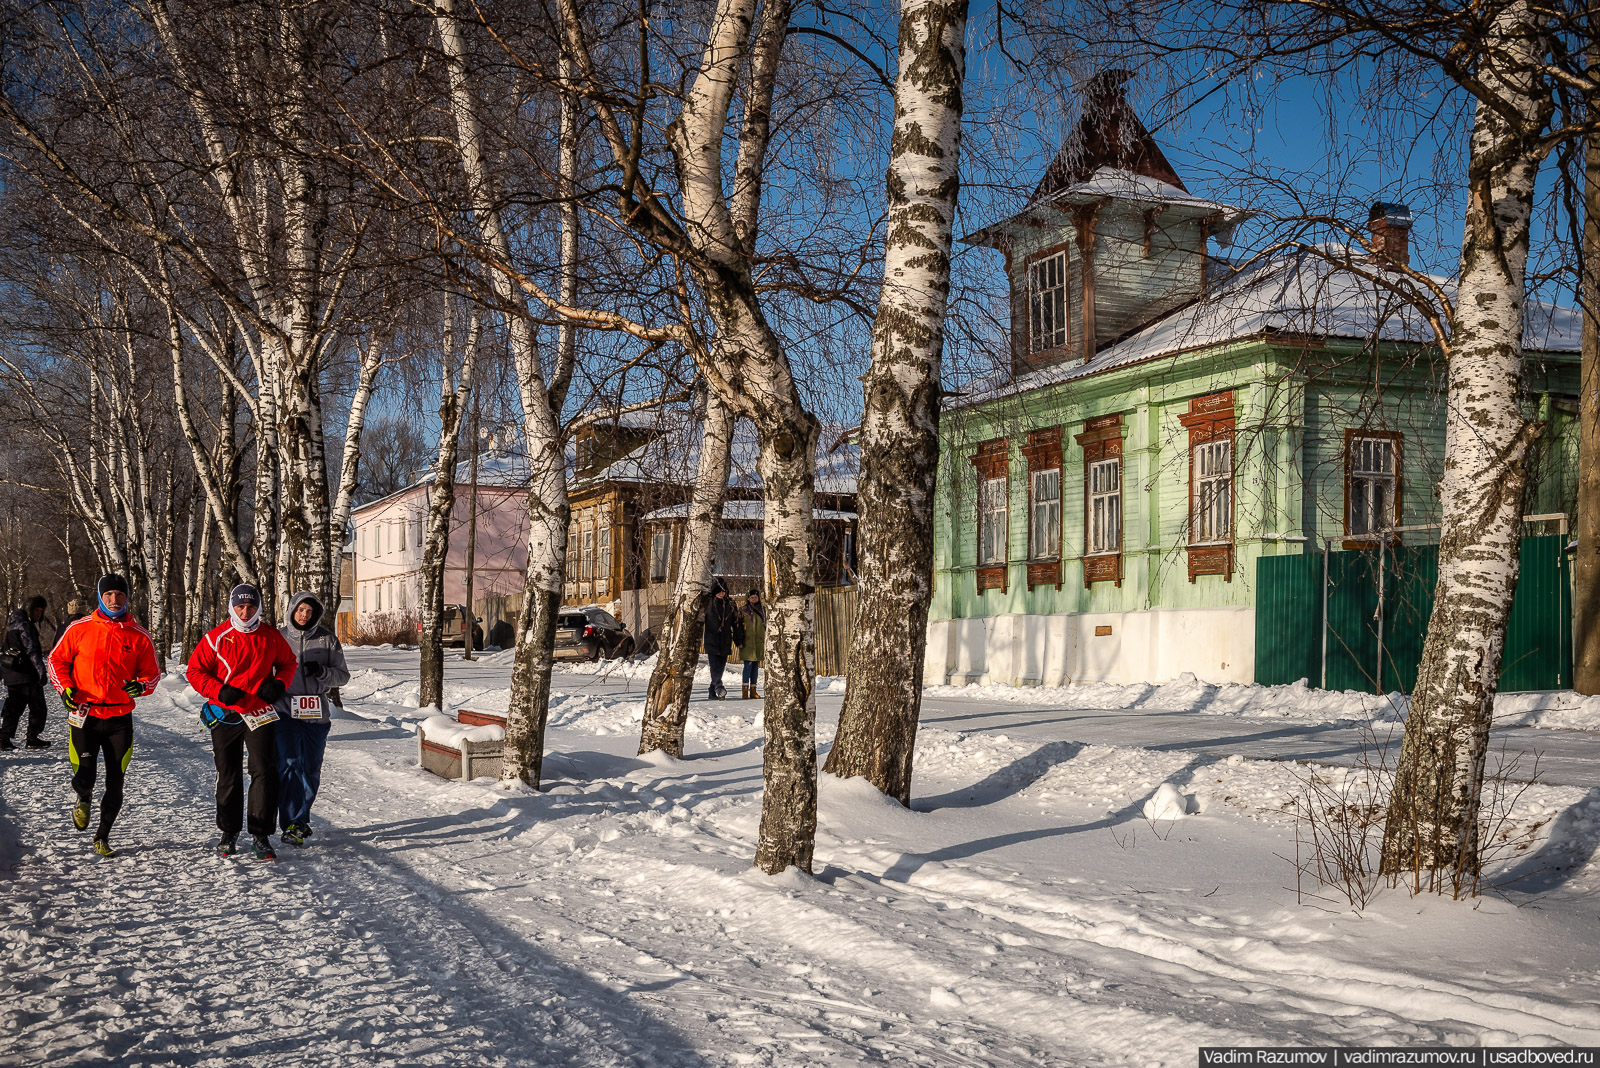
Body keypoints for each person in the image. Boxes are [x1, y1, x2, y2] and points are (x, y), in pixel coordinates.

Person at [46, 575, 161, 856]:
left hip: (119, 719)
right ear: (100, 596)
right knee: (85, 776)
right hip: (85, 715)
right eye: (108, 594)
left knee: (115, 780)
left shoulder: (139, 635)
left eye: (119, 595)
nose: (114, 600)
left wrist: (142, 685)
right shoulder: (79, 628)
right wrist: (65, 689)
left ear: (127, 598)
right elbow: (55, 660)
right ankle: (83, 797)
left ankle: (102, 836)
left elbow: (152, 673)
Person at [186, 584, 297, 861]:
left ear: (258, 607)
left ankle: (261, 835)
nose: (245, 612)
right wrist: (219, 691)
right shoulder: (216, 637)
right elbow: (195, 671)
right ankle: (229, 832)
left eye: (250, 606)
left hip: (260, 712)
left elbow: (288, 663)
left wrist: (279, 684)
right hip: (226, 713)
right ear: (231, 607)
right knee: (228, 772)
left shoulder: (271, 636)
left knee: (264, 772)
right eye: (240, 606)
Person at [274, 592, 349, 847]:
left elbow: (342, 676)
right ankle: (291, 823)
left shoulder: (327, 639)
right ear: (292, 610)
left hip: (316, 713)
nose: (304, 615)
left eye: (309, 611)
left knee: (310, 769)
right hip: (285, 710)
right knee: (289, 765)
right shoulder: (279, 637)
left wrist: (322, 672)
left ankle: (300, 820)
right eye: (300, 610)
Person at [2, 596, 52, 750]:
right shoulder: (25, 626)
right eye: (37, 610)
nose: (39, 613)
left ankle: (3, 738)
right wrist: (41, 672)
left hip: (12, 673)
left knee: (14, 707)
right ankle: (32, 738)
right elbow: (32, 651)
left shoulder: (11, 626)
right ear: (29, 608)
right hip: (26, 674)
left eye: (41, 610)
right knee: (38, 707)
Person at [703, 580, 736, 700]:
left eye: (723, 591)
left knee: (721, 668)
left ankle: (712, 691)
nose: (721, 594)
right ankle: (718, 686)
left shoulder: (730, 605)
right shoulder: (708, 604)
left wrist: (738, 638)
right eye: (719, 591)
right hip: (712, 640)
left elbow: (735, 623)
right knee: (714, 666)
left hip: (725, 640)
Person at [736, 589, 765, 701]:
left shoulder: (762, 610)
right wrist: (739, 640)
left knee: (755, 667)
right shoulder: (743, 610)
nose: (754, 599)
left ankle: (753, 690)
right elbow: (738, 626)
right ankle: (745, 690)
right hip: (747, 642)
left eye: (756, 597)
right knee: (747, 665)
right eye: (752, 597)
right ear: (748, 598)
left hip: (758, 642)